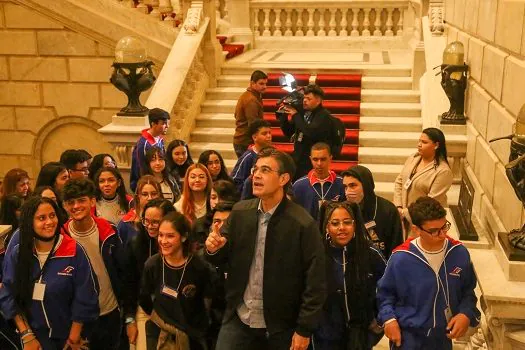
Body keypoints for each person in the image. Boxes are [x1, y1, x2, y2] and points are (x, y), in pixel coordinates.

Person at [205, 148, 326, 350]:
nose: (256, 175)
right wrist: (213, 249)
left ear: (283, 179)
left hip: (280, 325)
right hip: (240, 316)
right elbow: (219, 258)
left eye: (266, 170)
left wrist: (304, 329)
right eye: (256, 169)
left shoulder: (302, 224)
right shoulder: (240, 212)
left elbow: (315, 281)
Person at [377, 196, 481, 350]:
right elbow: (385, 294)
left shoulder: (459, 252)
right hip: (408, 338)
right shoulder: (401, 258)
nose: (442, 235)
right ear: (416, 229)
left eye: (444, 226)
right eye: (434, 231)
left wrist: (465, 313)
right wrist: (389, 319)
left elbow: (468, 291)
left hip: (442, 338)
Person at [0, 196, 99, 349]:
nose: (49, 222)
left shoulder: (73, 250)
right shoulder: (18, 253)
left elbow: (85, 296)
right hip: (33, 337)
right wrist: (26, 335)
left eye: (52, 216)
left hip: (70, 337)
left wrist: (73, 339)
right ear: (29, 222)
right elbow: (8, 293)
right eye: (41, 218)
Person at [62, 178, 126, 350]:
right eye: (70, 202)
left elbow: (124, 272)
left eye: (81, 200)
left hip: (110, 311)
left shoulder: (109, 231)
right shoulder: (61, 237)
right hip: (77, 320)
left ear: (92, 201)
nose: (76, 206)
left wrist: (128, 314)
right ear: (64, 206)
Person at [313, 201, 386, 350]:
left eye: (347, 222)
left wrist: (380, 320)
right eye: (335, 223)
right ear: (327, 226)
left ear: (354, 225)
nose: (342, 228)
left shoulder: (371, 254)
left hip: (361, 336)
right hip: (325, 338)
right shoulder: (316, 256)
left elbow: (389, 289)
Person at [139, 211, 216, 350]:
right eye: (161, 235)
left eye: (170, 236)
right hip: (160, 331)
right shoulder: (152, 264)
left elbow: (207, 300)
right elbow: (145, 298)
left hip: (192, 334)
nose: (163, 241)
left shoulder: (200, 267)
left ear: (184, 237)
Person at [123, 199, 175, 350]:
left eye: (155, 222)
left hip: (174, 311)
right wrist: (129, 319)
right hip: (145, 309)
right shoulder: (135, 244)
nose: (150, 226)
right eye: (146, 221)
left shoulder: (180, 246)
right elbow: (129, 285)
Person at [393, 128, 453, 238]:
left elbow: (431, 201)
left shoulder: (443, 171)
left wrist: (405, 213)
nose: (419, 145)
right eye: (419, 141)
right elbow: (400, 181)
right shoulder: (413, 158)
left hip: (424, 224)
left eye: (424, 142)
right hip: (403, 218)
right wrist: (398, 206)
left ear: (436, 145)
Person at [341, 165, 403, 258]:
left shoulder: (388, 210)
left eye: (353, 185)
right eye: (345, 187)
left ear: (366, 185)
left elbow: (396, 248)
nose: (348, 191)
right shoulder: (342, 210)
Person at [278, 84, 337, 179]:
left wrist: (296, 115)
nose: (304, 101)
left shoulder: (324, 116)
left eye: (309, 99)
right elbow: (290, 133)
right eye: (304, 98)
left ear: (318, 101)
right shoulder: (303, 113)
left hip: (313, 162)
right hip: (298, 158)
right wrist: (283, 119)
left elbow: (310, 132)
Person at [292, 142, 345, 220]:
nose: (319, 163)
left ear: (330, 158)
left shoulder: (341, 183)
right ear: (310, 159)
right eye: (315, 159)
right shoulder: (299, 185)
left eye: (323, 159)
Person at [130, 108, 170, 192]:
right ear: (153, 124)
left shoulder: (159, 139)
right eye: (163, 123)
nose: (167, 126)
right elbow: (140, 169)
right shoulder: (143, 144)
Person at [117, 175, 163, 246]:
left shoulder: (167, 219)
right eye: (145, 194)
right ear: (138, 196)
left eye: (154, 194)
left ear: (159, 195)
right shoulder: (125, 223)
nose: (150, 198)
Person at [233, 70, 268, 158]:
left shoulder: (248, 95)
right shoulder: (251, 100)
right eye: (261, 84)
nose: (265, 87)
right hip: (245, 142)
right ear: (252, 83)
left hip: (241, 141)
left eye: (265, 84)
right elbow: (253, 125)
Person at [231, 119, 272, 193]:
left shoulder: (274, 154)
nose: (269, 136)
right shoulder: (248, 157)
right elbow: (235, 180)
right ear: (254, 137)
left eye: (269, 133)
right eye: (264, 133)